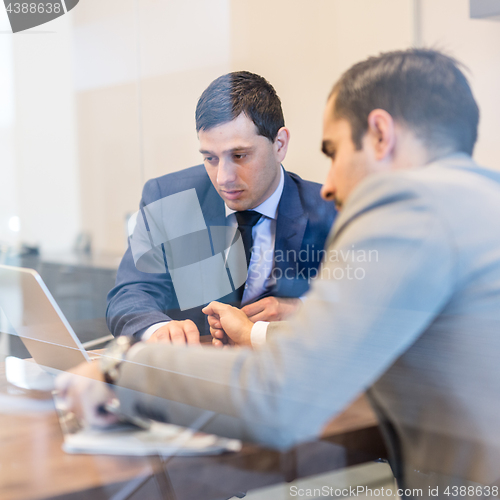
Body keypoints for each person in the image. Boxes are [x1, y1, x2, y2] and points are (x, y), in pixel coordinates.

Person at [59, 49, 500, 497]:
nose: (328, 183)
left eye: (333, 151)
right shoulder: (484, 198)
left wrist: (123, 369)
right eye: (211, 158)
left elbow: (278, 396)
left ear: (381, 134)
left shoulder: (407, 210)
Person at [106, 71, 336, 345]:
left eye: (239, 156)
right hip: (197, 373)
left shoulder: (331, 209)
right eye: (210, 158)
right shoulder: (168, 199)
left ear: (280, 144)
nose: (223, 177)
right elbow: (130, 293)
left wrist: (304, 310)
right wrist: (156, 328)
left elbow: (369, 304)